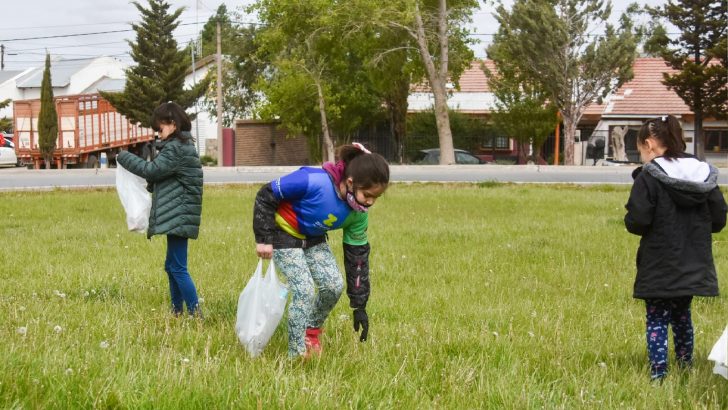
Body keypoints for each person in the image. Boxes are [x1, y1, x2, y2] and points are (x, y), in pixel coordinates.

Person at [253, 143, 390, 358]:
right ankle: (296, 354)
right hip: (283, 233)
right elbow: (265, 195)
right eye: (367, 195)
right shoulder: (312, 181)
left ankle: (311, 330)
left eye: (376, 197)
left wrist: (359, 306)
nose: (370, 202)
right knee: (304, 290)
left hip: (313, 238)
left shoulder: (359, 214)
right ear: (351, 182)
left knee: (333, 286)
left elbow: (358, 259)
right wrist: (263, 239)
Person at [624, 115, 727, 381]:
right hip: (693, 260)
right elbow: (718, 220)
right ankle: (685, 366)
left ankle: (659, 373)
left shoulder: (649, 177)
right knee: (682, 315)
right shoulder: (703, 174)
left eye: (641, 149)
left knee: (657, 318)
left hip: (659, 262)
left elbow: (638, 221)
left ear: (650, 144)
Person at [116, 101, 204, 317]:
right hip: (179, 213)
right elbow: (165, 176)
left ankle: (195, 313)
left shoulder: (176, 149)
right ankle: (177, 312)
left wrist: (124, 156)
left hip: (180, 214)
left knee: (178, 267)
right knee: (172, 266)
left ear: (172, 124)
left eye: (160, 128)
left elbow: (152, 170)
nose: (158, 133)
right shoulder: (181, 147)